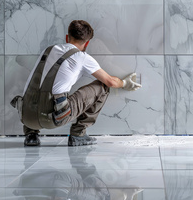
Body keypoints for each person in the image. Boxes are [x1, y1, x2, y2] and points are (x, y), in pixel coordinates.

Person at [12, 20, 141, 146]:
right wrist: (125, 83)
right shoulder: (82, 57)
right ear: (87, 43)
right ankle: (78, 134)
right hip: (52, 119)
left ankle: (31, 135)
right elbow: (111, 82)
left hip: (26, 117)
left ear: (67, 37)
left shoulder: (48, 50)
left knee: (37, 87)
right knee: (103, 86)